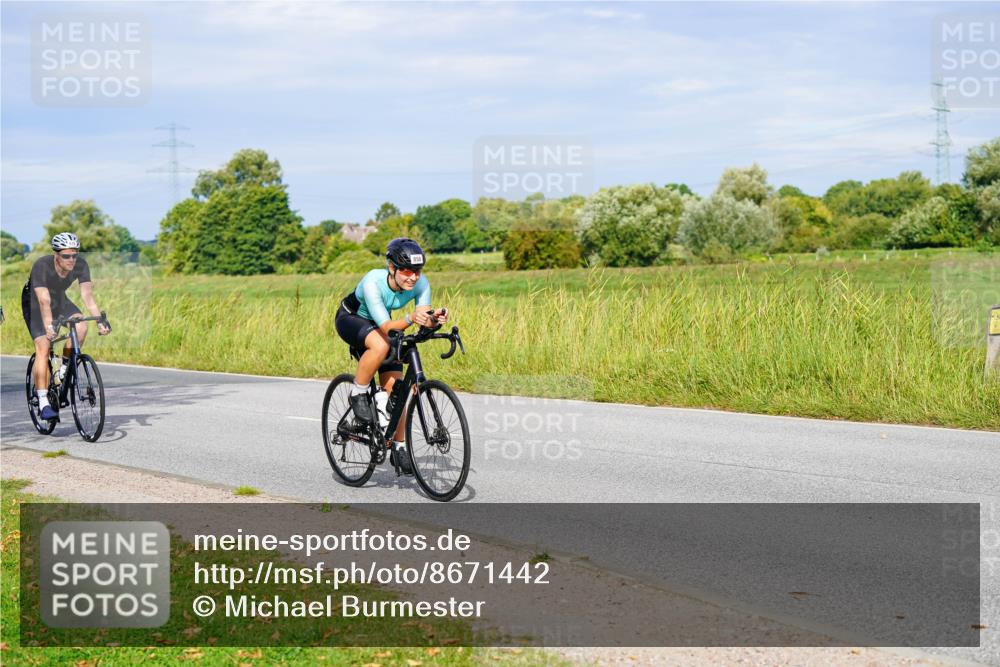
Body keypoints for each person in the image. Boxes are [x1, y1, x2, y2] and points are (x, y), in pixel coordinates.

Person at [334, 237, 448, 475]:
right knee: (380, 345)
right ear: (392, 268)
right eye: (407, 271)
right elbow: (386, 327)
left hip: (384, 324)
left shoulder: (421, 283)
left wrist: (433, 318)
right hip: (353, 319)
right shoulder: (372, 282)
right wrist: (408, 319)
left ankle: (399, 446)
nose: (413, 277)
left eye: (417, 271)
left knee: (396, 389)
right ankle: (358, 393)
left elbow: (422, 317)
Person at [21, 233, 110, 421]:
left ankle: (63, 368)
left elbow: (87, 296)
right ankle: (44, 401)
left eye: (74, 255)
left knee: (81, 326)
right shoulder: (41, 265)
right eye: (66, 256)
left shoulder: (81, 265)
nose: (71, 260)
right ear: (56, 255)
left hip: (60, 299)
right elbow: (44, 300)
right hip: (35, 302)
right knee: (44, 346)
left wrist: (99, 319)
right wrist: (49, 326)